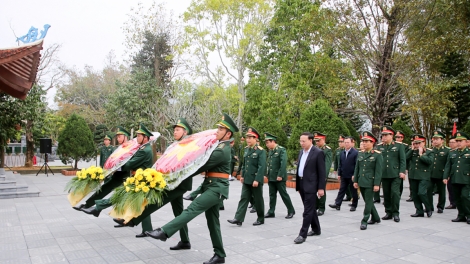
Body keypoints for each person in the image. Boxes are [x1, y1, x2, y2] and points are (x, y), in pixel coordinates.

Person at [145, 113, 238, 264]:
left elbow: (200, 164)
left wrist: (176, 169)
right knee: (213, 222)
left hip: (217, 189)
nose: (217, 131)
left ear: (228, 134)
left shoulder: (223, 149)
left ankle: (164, 232)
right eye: (218, 128)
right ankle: (220, 255)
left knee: (192, 209)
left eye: (221, 129)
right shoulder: (218, 145)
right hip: (210, 186)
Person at [114, 118, 194, 249]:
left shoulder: (189, 147)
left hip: (180, 184)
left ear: (185, 132)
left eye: (178, 130)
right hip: (172, 183)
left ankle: (133, 219)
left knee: (156, 200)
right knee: (179, 213)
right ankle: (185, 241)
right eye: (174, 130)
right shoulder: (174, 145)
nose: (174, 132)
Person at [83, 124, 155, 237]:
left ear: (145, 137)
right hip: (139, 180)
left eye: (139, 136)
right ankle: (146, 229)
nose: (137, 138)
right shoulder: (143, 148)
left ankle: (98, 207)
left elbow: (130, 164)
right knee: (141, 204)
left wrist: (117, 166)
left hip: (140, 181)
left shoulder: (144, 150)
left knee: (122, 195)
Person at [73, 126, 131, 211]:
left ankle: (125, 216)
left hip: (125, 175)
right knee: (104, 189)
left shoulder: (130, 148)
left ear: (125, 137)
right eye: (117, 137)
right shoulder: (120, 147)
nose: (118, 138)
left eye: (120, 136)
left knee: (121, 196)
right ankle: (87, 204)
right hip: (116, 174)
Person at [228, 127, 267, 226]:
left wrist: (257, 179)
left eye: (250, 138)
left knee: (258, 200)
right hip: (247, 179)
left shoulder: (260, 151)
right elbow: (245, 164)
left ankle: (261, 218)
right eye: (247, 137)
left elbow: (261, 166)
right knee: (244, 198)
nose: (248, 140)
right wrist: (242, 175)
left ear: (255, 139)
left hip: (255, 180)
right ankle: (238, 218)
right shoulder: (246, 150)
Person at [293, 132, 326, 244]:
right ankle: (316, 229)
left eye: (304, 141)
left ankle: (302, 234)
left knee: (307, 211)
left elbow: (322, 172)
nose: (301, 143)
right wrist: (298, 185)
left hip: (312, 185)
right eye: (300, 141)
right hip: (302, 183)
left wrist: (321, 188)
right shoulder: (301, 152)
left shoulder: (318, 153)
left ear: (310, 141)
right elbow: (300, 168)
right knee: (310, 208)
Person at [375, 126, 406, 223]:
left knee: (395, 193)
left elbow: (402, 160)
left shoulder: (399, 146)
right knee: (386, 194)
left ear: (391, 135)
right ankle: (388, 212)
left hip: (395, 174)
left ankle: (396, 213)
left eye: (385, 135)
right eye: (382, 135)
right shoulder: (380, 147)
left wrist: (402, 171)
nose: (383, 137)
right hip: (384, 174)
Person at [353, 131, 383, 230]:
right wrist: (356, 181)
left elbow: (378, 171)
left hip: (371, 182)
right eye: (363, 141)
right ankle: (376, 217)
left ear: (372, 142)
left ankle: (364, 220)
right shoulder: (360, 153)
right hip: (362, 181)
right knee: (368, 201)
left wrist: (377, 184)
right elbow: (357, 168)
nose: (364, 143)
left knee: (368, 202)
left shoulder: (377, 155)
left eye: (367, 141)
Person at [264, 132, 295, 219]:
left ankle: (291, 210)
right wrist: (267, 174)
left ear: (273, 141)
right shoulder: (271, 151)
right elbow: (269, 164)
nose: (266, 144)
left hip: (279, 177)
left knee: (283, 194)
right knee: (272, 195)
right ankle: (271, 211)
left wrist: (280, 174)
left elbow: (283, 163)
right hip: (271, 177)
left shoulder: (281, 150)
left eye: (267, 142)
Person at [443, 131, 470, 224]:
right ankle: (461, 215)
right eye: (457, 141)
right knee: (457, 198)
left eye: (461, 141)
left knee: (465, 197)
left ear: (466, 142)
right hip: (455, 179)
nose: (458, 143)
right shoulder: (452, 153)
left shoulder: (468, 152)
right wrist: (445, 176)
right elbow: (448, 166)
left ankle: (469, 215)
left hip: (466, 179)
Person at [407, 134, 434, 218]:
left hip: (423, 176)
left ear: (423, 143)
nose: (417, 145)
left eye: (419, 143)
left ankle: (428, 208)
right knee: (414, 194)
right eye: (415, 143)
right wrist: (412, 150)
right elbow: (405, 158)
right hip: (413, 175)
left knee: (421, 193)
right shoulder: (412, 151)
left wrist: (421, 154)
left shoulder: (429, 151)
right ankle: (419, 211)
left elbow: (429, 162)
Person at [329, 137, 359, 211]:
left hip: (352, 175)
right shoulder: (342, 153)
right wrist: (339, 174)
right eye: (345, 142)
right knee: (341, 190)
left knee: (353, 191)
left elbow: (357, 165)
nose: (346, 144)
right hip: (344, 175)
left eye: (348, 142)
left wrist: (355, 175)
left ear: (352, 143)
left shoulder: (355, 153)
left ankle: (354, 205)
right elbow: (340, 164)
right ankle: (337, 204)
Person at [429, 131, 450, 213]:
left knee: (441, 191)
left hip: (441, 174)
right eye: (434, 139)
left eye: (437, 139)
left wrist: (446, 175)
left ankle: (440, 206)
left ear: (442, 140)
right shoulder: (430, 150)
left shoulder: (447, 151)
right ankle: (430, 206)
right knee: (428, 190)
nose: (435, 141)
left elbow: (448, 164)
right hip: (431, 174)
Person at [313, 132, 332, 216]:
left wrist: (324, 175)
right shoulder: (314, 148)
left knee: (321, 191)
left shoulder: (327, 150)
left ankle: (321, 208)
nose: (317, 142)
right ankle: (316, 204)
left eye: (318, 140)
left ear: (323, 139)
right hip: (313, 173)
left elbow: (327, 164)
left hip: (321, 174)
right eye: (315, 141)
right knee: (312, 190)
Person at [395, 130, 412, 201]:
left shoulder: (405, 146)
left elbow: (405, 158)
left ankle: (399, 194)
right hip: (394, 165)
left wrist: (405, 168)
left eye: (399, 137)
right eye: (396, 137)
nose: (397, 139)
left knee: (400, 181)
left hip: (402, 165)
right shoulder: (393, 145)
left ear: (402, 138)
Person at [334, 135, 352, 202]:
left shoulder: (351, 150)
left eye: (341, 142)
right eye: (339, 142)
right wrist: (335, 169)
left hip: (349, 171)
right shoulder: (338, 150)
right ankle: (342, 199)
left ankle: (350, 196)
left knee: (348, 185)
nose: (340, 143)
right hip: (341, 169)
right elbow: (336, 161)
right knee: (343, 186)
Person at [445, 137, 457, 209]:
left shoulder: (457, 152)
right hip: (450, 174)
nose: (451, 144)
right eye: (450, 142)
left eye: (453, 142)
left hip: (457, 174)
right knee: (450, 189)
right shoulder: (449, 151)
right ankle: (452, 203)